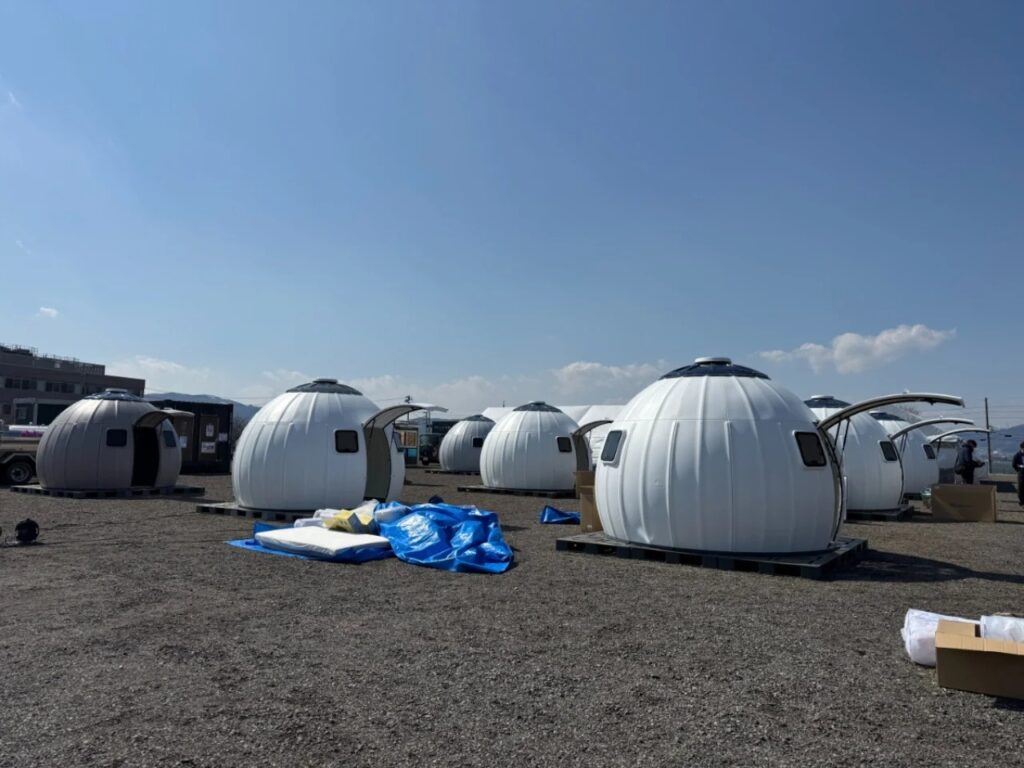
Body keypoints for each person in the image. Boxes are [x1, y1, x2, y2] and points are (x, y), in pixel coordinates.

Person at [1013, 441, 1024, 507]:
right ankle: (1021, 500)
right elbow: (1014, 464)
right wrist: (1019, 471)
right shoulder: (1017, 455)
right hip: (1021, 473)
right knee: (1021, 487)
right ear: (1021, 448)